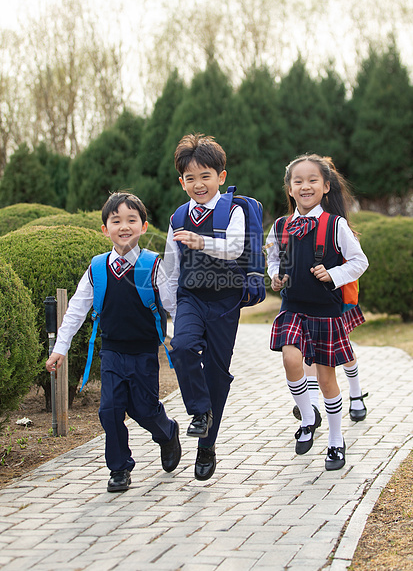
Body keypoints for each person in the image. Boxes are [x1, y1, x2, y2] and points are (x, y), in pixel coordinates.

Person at [45, 192, 181, 492]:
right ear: (105, 229)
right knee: (109, 411)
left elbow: (173, 305)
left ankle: (167, 432)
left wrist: (187, 337)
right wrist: (60, 349)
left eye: (132, 220)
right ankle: (119, 468)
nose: (124, 226)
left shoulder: (151, 265)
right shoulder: (97, 269)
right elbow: (77, 309)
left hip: (145, 353)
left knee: (144, 410)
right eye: (116, 220)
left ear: (143, 227)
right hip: (112, 352)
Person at [265, 154, 368, 471]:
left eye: (312, 180)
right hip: (292, 308)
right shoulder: (281, 226)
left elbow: (359, 262)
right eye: (298, 181)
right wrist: (275, 276)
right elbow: (273, 259)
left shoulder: (336, 225)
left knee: (326, 380)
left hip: (326, 312)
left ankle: (336, 441)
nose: (305, 186)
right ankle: (308, 418)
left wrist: (334, 275)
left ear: (325, 187)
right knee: (290, 359)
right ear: (289, 188)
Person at [164, 133, 245, 481]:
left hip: (226, 303)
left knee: (216, 375)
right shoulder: (178, 216)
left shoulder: (235, 209)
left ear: (220, 177)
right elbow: (170, 269)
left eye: (205, 176)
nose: (198, 184)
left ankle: (206, 446)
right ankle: (199, 412)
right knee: (181, 347)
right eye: (190, 178)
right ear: (182, 182)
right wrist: (171, 310)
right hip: (191, 299)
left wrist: (203, 241)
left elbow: (237, 247)